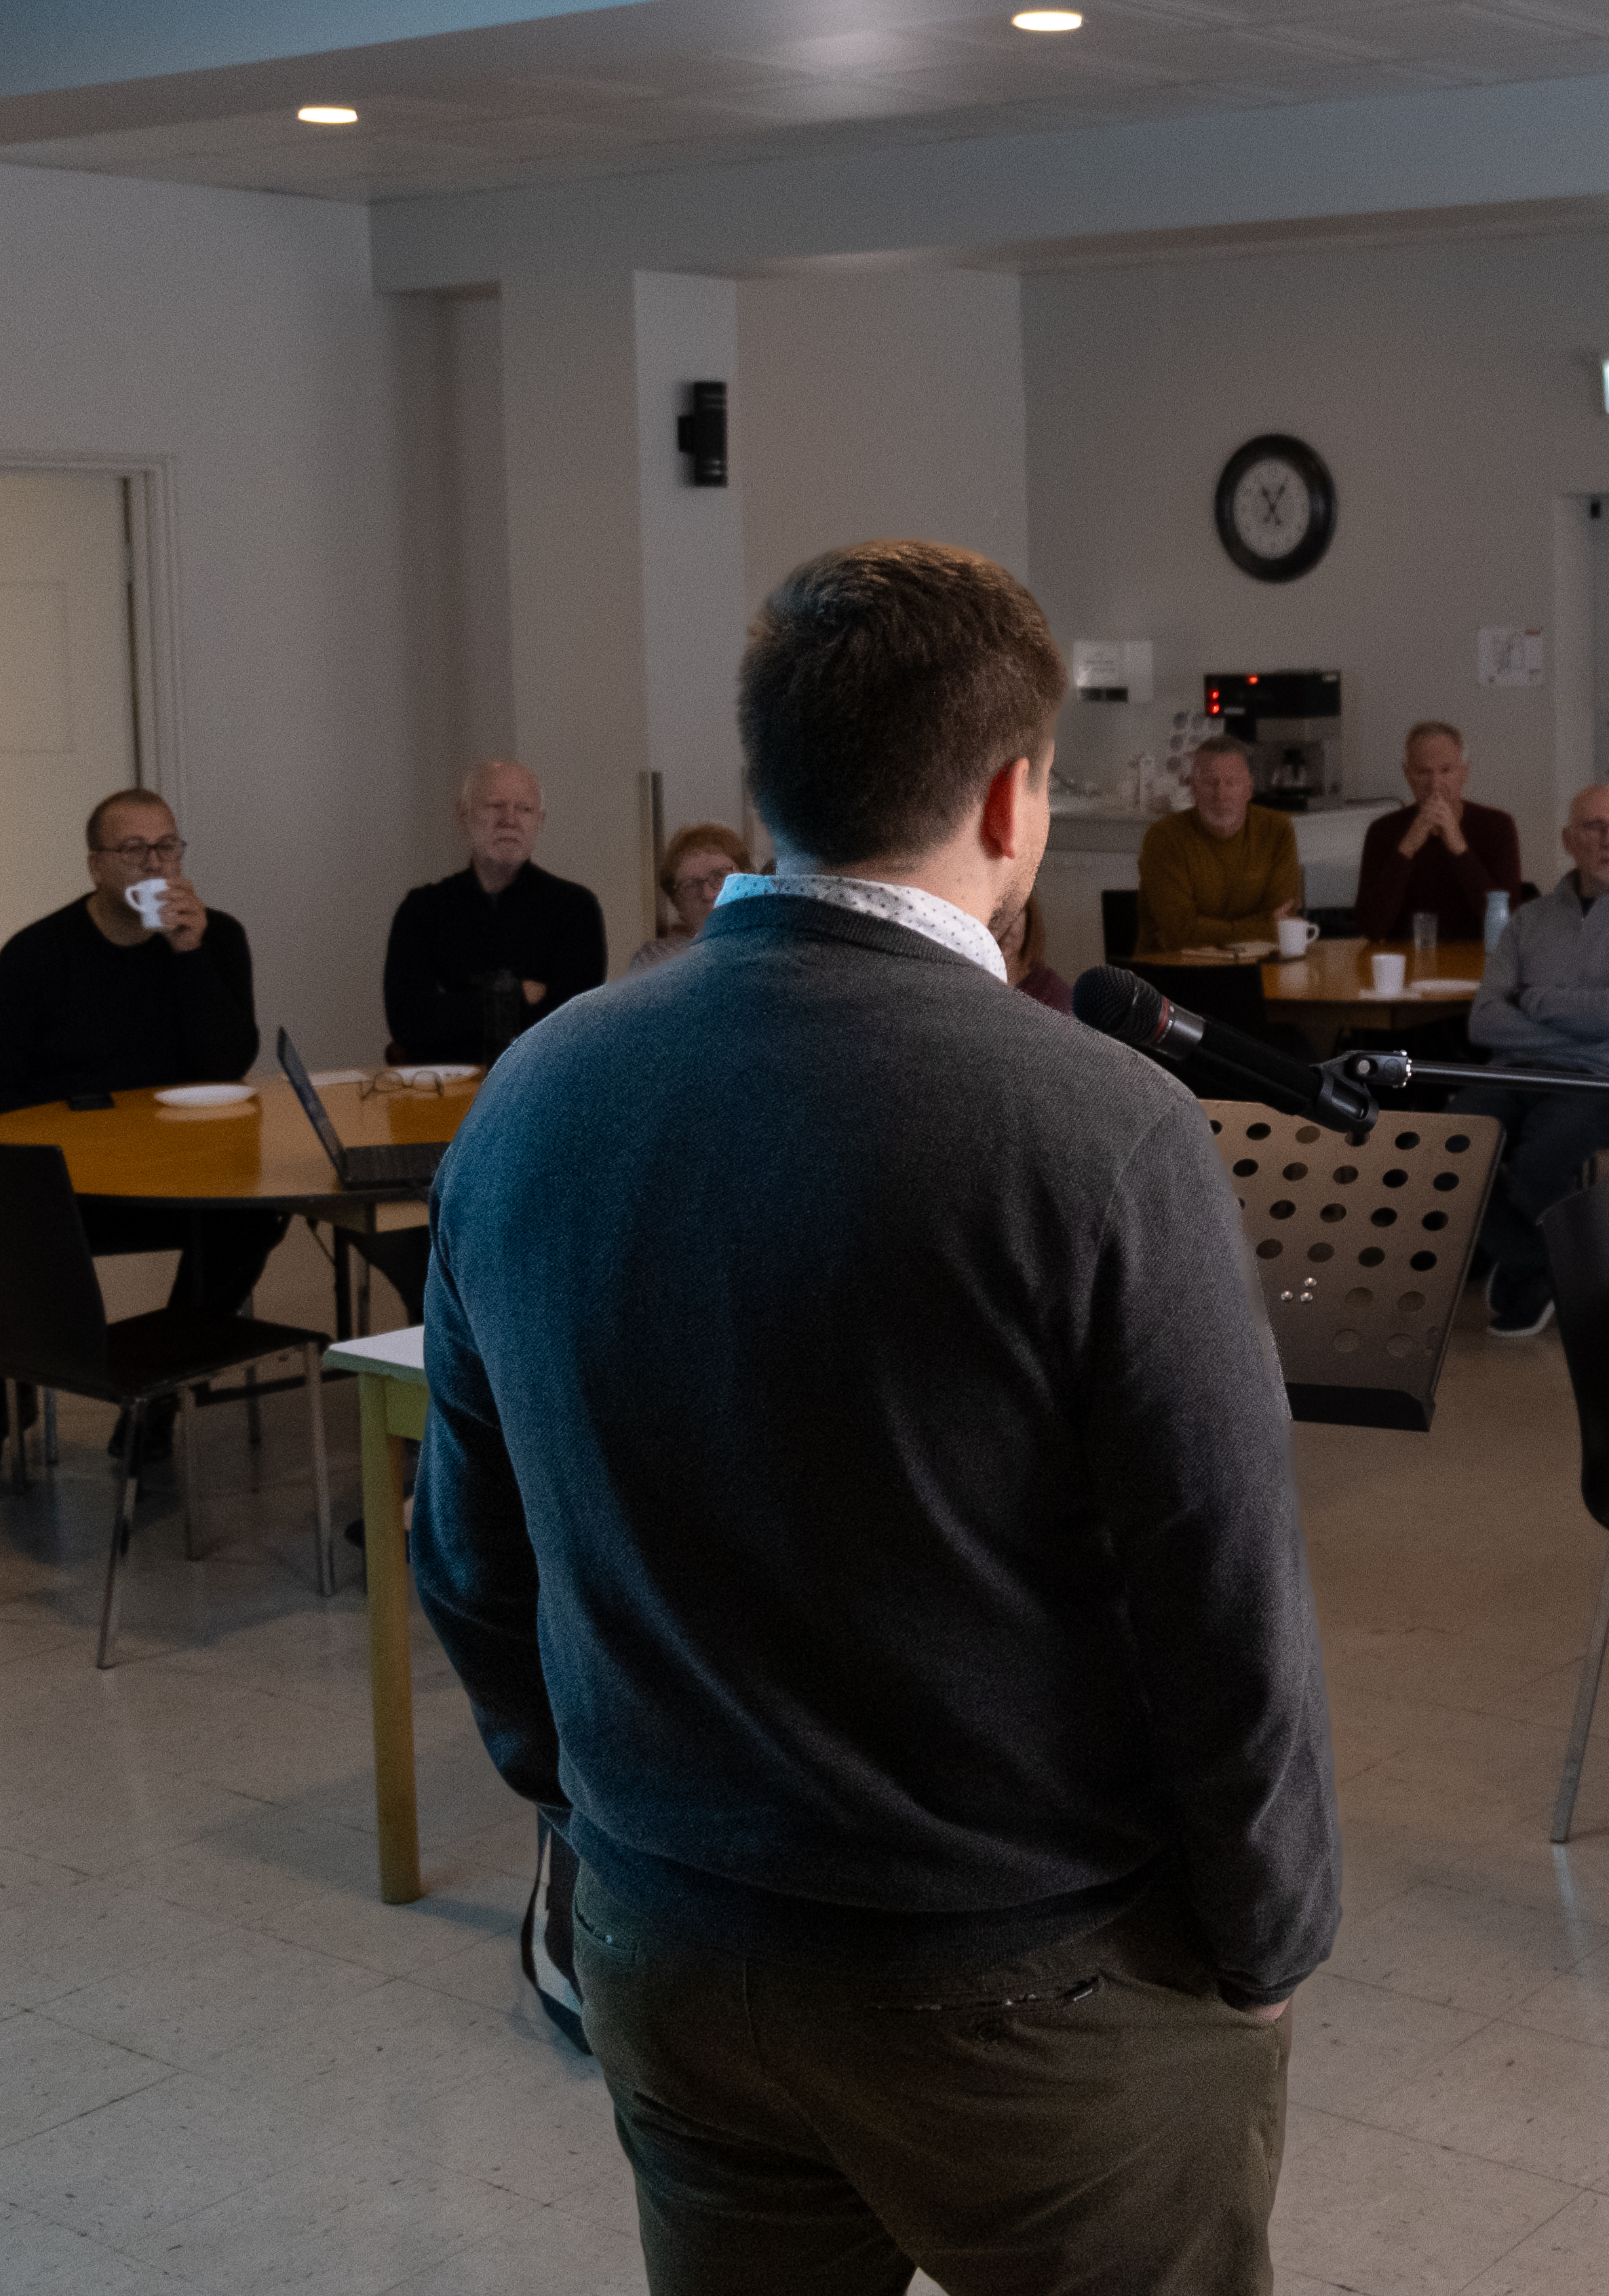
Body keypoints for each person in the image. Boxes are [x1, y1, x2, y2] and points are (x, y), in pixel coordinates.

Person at [412, 541, 1336, 2293]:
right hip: (1018, 1974)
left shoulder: (535, 1094)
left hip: (673, 1938)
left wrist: (605, 1811)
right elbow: (1223, 1605)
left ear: (762, 782)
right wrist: (1271, 1928)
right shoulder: (1106, 1129)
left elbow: (468, 1557)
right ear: (1012, 794)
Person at [0, 788, 286, 1478]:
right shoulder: (38, 956)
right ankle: (0, 1396)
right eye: (133, 851)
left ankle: (161, 1395)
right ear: (96, 867)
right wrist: (92, 1113)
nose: (154, 865)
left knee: (252, 1219)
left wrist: (188, 954)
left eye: (167, 848)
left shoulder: (217, 938)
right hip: (77, 1182)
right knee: (22, 1220)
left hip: (183, 1178)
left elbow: (228, 1063)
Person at [1450, 785, 1609, 1339]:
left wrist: (1532, 997)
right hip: (1514, 1071)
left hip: (1602, 1079)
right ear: (1568, 839)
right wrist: (1590, 1014)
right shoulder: (1527, 919)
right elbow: (1482, 1021)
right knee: (1446, 1150)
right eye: (1594, 826)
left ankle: (1535, 1270)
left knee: (1536, 1163)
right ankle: (1550, 1267)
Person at [385, 761, 607, 1063]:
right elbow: (409, 1024)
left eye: (524, 810)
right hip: (443, 1094)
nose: (509, 820)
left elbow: (573, 1026)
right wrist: (517, 996)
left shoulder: (575, 908)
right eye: (495, 806)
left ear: (539, 821)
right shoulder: (423, 910)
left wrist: (453, 1006)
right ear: (463, 816)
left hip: (540, 1089)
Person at [1353, 719, 1523, 944]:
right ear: (1408, 775)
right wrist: (1407, 848)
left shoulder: (1497, 826)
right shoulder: (1383, 831)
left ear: (1463, 773)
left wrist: (1459, 847)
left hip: (1476, 965)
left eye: (1446, 770)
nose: (1435, 784)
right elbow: (1372, 928)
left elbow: (1508, 925)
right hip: (1408, 966)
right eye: (1423, 772)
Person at [1134, 739, 1299, 952]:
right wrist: (1262, 927)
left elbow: (1282, 921)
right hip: (1172, 973)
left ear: (1248, 789)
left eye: (1231, 782)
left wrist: (1209, 931)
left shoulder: (1277, 830)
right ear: (1193, 789)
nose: (1220, 793)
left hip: (1257, 968)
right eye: (1210, 782)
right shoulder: (1164, 838)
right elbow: (1181, 932)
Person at [623, 822, 750, 978]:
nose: (708, 894)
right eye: (690, 886)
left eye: (720, 877)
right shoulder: (654, 961)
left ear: (747, 879)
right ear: (678, 904)